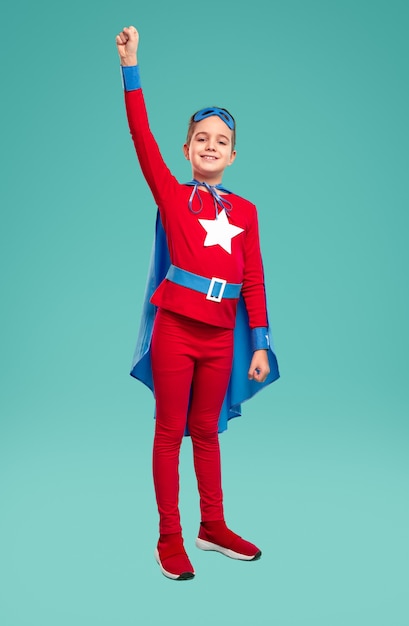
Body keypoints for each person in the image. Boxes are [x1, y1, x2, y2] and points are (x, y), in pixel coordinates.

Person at [115, 25, 279, 581]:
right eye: (200, 138)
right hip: (176, 330)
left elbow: (253, 278)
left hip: (221, 333)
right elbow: (140, 135)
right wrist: (131, 66)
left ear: (234, 154)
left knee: (206, 432)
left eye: (221, 140)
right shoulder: (173, 194)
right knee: (169, 431)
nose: (210, 145)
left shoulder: (248, 212)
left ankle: (212, 526)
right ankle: (169, 537)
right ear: (186, 150)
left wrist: (259, 342)